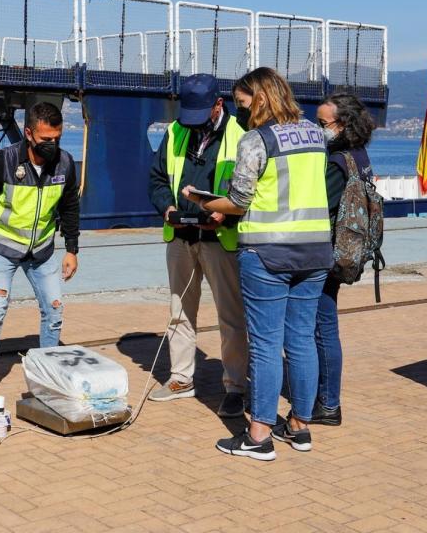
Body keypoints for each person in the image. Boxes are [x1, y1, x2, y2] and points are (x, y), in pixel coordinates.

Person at [182, 67, 332, 461]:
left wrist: (201, 200)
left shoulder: (256, 139)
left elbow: (239, 201)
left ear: (260, 98)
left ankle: (259, 433)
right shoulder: (316, 135)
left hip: (268, 252)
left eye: (243, 103)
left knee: (265, 344)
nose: (240, 111)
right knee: (300, 340)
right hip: (315, 251)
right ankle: (299, 427)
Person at [0, 102, 80, 408]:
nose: (52, 145)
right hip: (2, 248)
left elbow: (69, 208)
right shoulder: (4, 161)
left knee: (54, 311)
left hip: (41, 250)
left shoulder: (65, 164)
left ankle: (47, 379)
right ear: (29, 133)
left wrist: (72, 249)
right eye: (45, 140)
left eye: (57, 138)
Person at [146, 74, 250, 417]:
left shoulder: (241, 135)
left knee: (231, 317)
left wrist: (227, 214)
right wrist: (167, 207)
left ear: (218, 105)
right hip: (181, 237)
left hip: (221, 238)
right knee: (179, 311)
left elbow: (251, 191)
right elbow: (158, 178)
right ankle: (180, 379)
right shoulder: (176, 131)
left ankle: (236, 386)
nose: (192, 124)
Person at [312, 93, 376, 426]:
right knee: (324, 327)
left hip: (326, 254)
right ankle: (324, 398)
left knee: (322, 328)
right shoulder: (360, 156)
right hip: (346, 252)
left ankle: (327, 403)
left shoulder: (337, 163)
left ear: (343, 124)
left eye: (322, 124)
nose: (317, 128)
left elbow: (318, 205)